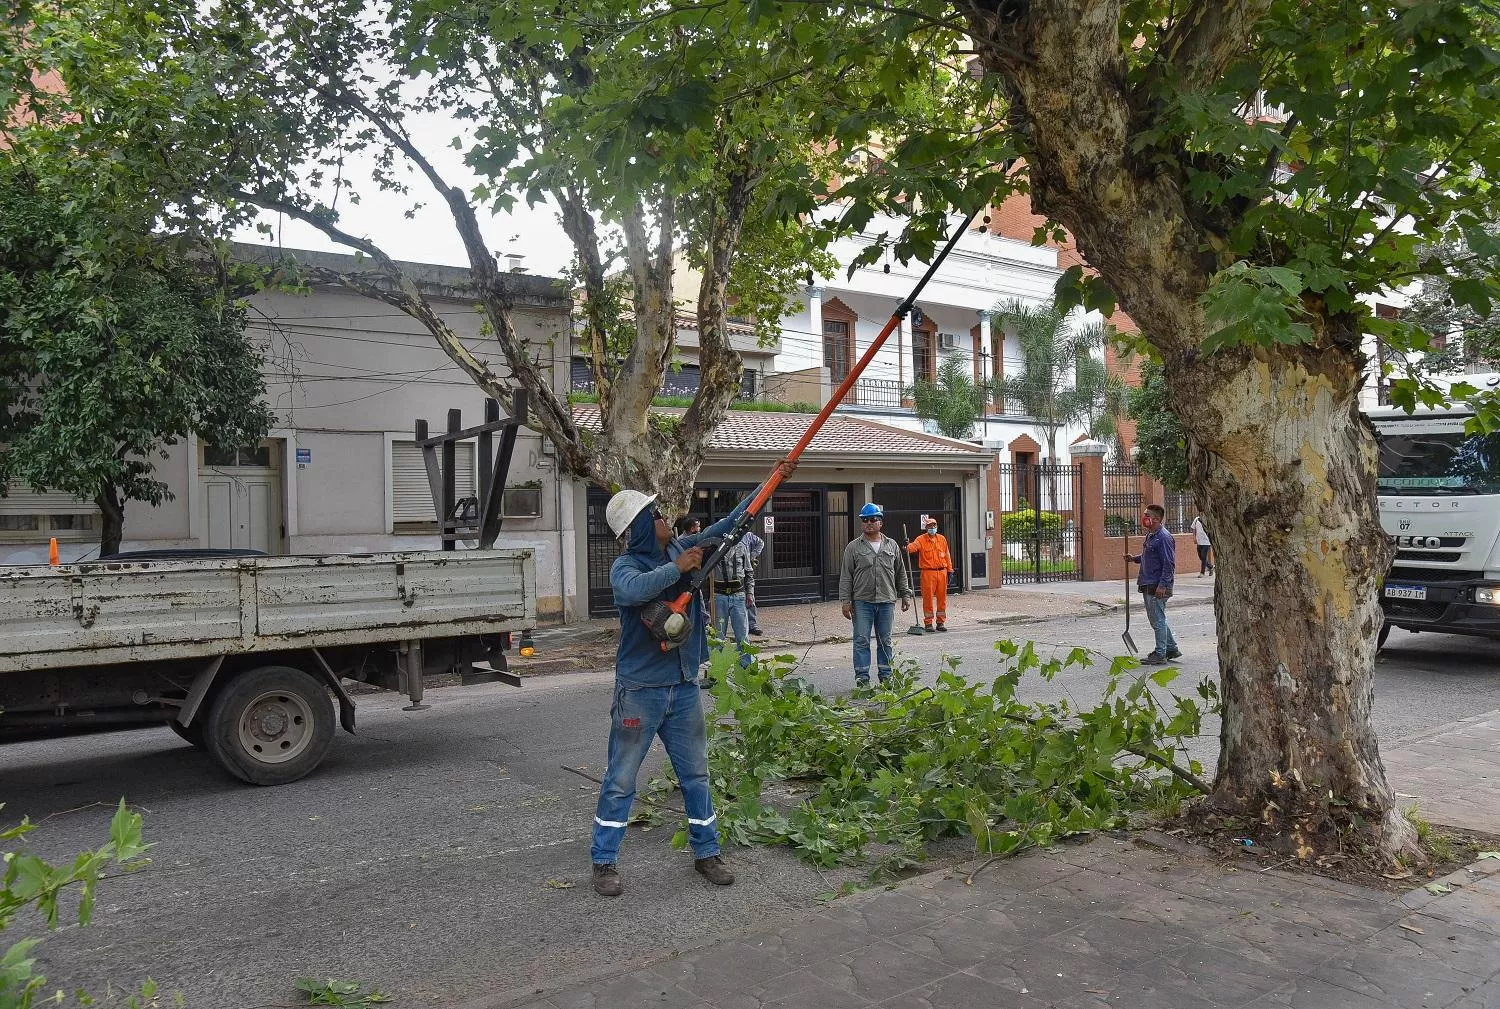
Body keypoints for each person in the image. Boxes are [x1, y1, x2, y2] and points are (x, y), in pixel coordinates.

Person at [590, 488, 748, 897]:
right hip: (640, 691)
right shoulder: (626, 566)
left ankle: (707, 853)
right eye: (655, 514)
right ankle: (604, 861)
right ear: (640, 526)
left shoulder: (681, 545)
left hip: (683, 687)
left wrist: (765, 487)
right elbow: (631, 592)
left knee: (696, 775)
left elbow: (722, 528)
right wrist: (676, 568)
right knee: (621, 780)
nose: (665, 518)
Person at [839, 502, 912, 687]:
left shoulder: (892, 545)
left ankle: (886, 677)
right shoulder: (853, 547)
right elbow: (846, 576)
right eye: (864, 520)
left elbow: (900, 572)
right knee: (861, 639)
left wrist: (905, 594)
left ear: (880, 522)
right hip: (862, 602)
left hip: (887, 600)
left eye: (872, 519)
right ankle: (862, 678)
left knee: (885, 640)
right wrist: (845, 601)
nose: (868, 523)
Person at [1124, 503, 1181, 666]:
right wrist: (1134, 559)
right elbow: (1149, 555)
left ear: (1156, 519)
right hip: (1149, 583)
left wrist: (1162, 586)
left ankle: (1160, 653)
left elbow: (1168, 563)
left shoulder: (1163, 537)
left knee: (1157, 620)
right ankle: (1171, 648)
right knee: (1159, 618)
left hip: (1157, 585)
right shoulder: (1151, 535)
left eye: (1147, 515)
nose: (1144, 517)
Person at [712, 534, 756, 673]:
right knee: (718, 637)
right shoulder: (715, 549)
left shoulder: (742, 548)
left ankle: (746, 670)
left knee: (742, 635)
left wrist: (750, 593)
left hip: (738, 595)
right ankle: (717, 672)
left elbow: (749, 572)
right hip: (719, 596)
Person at [906, 515, 954, 632]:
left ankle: (940, 622)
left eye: (933, 525)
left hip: (942, 572)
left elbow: (947, 555)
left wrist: (950, 570)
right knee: (928, 599)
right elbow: (913, 547)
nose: (932, 528)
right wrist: (907, 545)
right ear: (926, 527)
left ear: (936, 526)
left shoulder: (942, 539)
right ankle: (928, 623)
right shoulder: (921, 539)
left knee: (942, 599)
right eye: (929, 526)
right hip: (928, 573)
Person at [742, 529, 766, 636]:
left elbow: (760, 542)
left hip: (746, 569)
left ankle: (752, 625)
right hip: (731, 572)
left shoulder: (748, 535)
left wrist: (752, 556)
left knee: (750, 596)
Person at [1189, 510, 1214, 576]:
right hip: (1199, 542)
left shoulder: (1208, 519)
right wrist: (1194, 538)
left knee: (1203, 557)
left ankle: (1202, 573)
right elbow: (1193, 529)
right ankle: (1211, 567)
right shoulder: (1196, 519)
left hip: (1206, 542)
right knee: (1201, 557)